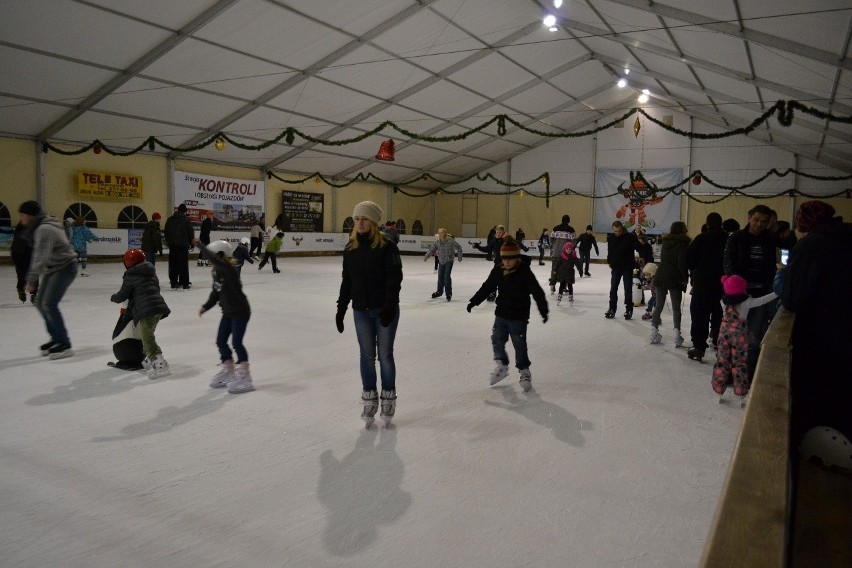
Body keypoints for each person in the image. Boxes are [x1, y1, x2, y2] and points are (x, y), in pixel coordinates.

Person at [781, 200, 852, 446]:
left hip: (822, 338)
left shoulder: (811, 246)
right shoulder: (846, 237)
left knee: (819, 401)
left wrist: (783, 273)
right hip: (841, 334)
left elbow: (792, 296)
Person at [336, 201, 403, 427]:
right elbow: (347, 281)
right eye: (356, 219)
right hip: (361, 311)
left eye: (364, 219)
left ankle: (388, 398)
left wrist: (389, 306)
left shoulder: (387, 247)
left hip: (384, 309)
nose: (360, 223)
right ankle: (369, 398)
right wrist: (341, 308)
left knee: (385, 355)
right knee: (366, 356)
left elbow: (395, 280)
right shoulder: (350, 248)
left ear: (373, 222)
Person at [467, 237, 548, 392]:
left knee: (519, 344)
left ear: (517, 258)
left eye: (511, 259)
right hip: (502, 314)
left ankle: (524, 371)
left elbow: (537, 291)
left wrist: (543, 310)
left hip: (519, 315)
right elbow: (487, 286)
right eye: (504, 258)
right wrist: (474, 301)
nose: (507, 262)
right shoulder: (498, 270)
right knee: (497, 339)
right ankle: (502, 365)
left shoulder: (524, 271)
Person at [723, 204, 781, 380]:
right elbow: (728, 263)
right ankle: (730, 373)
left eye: (763, 221)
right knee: (733, 336)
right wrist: (735, 288)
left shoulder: (771, 239)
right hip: (739, 297)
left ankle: (747, 375)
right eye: (756, 219)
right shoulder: (736, 238)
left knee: (755, 338)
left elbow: (774, 265)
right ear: (748, 218)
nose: (759, 224)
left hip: (761, 296)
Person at [19, 200, 77, 359]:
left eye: (23, 214)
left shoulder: (44, 229)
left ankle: (64, 344)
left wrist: (31, 280)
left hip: (65, 267)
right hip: (54, 267)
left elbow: (40, 257)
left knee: (49, 304)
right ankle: (56, 338)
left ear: (31, 216)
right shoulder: (40, 227)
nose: (21, 218)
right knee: (40, 303)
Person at [197, 239, 254, 394]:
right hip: (228, 313)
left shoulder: (229, 270)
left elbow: (217, 261)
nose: (208, 261)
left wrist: (200, 245)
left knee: (236, 343)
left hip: (240, 312)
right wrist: (205, 307)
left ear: (220, 255)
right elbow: (215, 293)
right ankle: (229, 370)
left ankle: (245, 376)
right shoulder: (217, 272)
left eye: (210, 257)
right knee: (221, 341)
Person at [711, 275, 778, 399]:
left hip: (723, 335)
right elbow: (763, 300)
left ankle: (719, 387)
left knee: (722, 360)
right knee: (739, 362)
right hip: (739, 337)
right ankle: (740, 389)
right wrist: (777, 293)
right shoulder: (746, 302)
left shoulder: (723, 302)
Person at [110, 249, 172, 380]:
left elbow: (123, 294)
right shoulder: (150, 272)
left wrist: (114, 297)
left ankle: (159, 363)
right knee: (147, 335)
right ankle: (150, 359)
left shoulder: (130, 275)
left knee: (147, 337)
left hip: (146, 310)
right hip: (159, 308)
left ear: (128, 263)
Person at [686, 212, 727, 361]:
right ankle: (718, 344)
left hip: (702, 285)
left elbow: (689, 260)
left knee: (699, 316)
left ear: (708, 223)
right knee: (719, 316)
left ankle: (699, 347)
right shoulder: (727, 239)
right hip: (722, 286)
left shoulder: (700, 239)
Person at [648, 222, 690, 346]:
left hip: (661, 276)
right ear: (682, 230)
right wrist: (685, 277)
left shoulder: (665, 242)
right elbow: (681, 263)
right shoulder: (683, 244)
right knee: (676, 307)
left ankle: (653, 332)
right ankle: (677, 335)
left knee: (659, 305)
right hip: (675, 277)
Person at [605, 220, 639, 319]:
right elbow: (610, 251)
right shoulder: (611, 238)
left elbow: (638, 246)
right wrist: (609, 261)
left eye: (619, 231)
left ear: (622, 228)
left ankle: (629, 310)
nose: (618, 233)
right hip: (616, 267)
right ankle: (612, 309)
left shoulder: (630, 237)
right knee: (613, 289)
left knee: (628, 289)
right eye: (615, 231)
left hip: (627, 267)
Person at [423, 228, 463, 301]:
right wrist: (426, 256)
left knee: (446, 277)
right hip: (441, 261)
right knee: (440, 277)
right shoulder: (438, 242)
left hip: (449, 261)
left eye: (441, 233)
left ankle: (448, 293)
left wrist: (459, 256)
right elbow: (431, 249)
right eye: (438, 233)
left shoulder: (450, 241)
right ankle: (439, 292)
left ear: (445, 234)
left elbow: (459, 247)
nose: (439, 234)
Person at [164, 203, 194, 290]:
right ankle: (184, 283)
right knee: (183, 264)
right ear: (184, 211)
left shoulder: (170, 220)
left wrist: (169, 243)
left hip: (173, 246)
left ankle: (173, 282)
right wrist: (191, 244)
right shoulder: (186, 220)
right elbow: (190, 233)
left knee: (173, 264)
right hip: (183, 246)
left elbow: (166, 233)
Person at [10, 221, 37, 303]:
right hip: (19, 254)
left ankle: (34, 294)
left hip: (31, 253)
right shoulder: (21, 226)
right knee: (22, 274)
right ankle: (21, 290)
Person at [549, 214, 576, 293]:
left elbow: (551, 240)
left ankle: (552, 285)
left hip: (556, 253)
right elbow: (574, 242)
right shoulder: (571, 230)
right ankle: (564, 287)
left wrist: (555, 246)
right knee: (565, 271)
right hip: (565, 255)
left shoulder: (555, 228)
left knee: (554, 269)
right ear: (568, 221)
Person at [553, 241, 576, 305]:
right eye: (567, 249)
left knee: (570, 286)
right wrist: (555, 269)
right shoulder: (561, 256)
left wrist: (580, 270)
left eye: (570, 249)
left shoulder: (573, 257)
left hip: (570, 274)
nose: (568, 250)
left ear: (571, 250)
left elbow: (577, 263)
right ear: (564, 249)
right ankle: (559, 297)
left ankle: (570, 297)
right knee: (562, 285)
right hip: (562, 273)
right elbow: (558, 264)